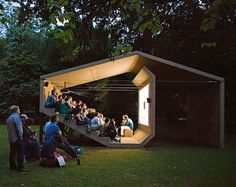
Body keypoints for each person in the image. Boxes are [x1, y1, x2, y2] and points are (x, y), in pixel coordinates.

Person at [6, 105, 29, 172]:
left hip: (11, 138)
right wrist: (21, 136)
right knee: (20, 152)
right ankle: (21, 167)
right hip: (17, 138)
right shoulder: (16, 117)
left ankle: (12, 166)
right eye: (19, 109)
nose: (19, 111)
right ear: (17, 110)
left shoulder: (9, 118)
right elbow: (19, 129)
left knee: (12, 152)